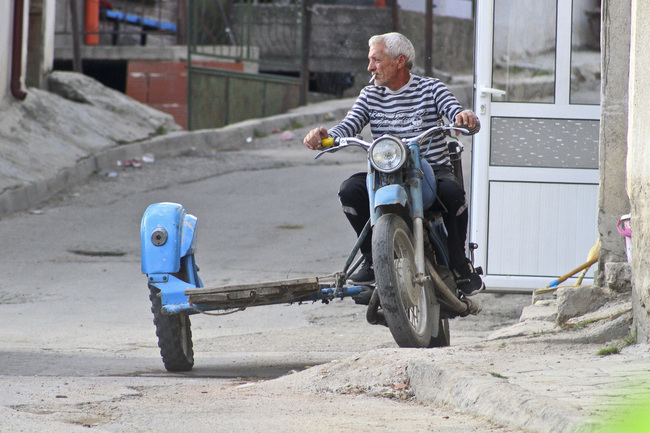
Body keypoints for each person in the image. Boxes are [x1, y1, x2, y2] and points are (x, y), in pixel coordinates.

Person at [303, 32, 484, 296]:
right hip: (386, 173)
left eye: (376, 60)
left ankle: (459, 263)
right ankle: (372, 257)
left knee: (453, 193)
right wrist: (326, 137)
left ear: (400, 61)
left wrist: (464, 116)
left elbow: (454, 111)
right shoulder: (369, 95)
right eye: (369, 60)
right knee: (349, 191)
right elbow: (348, 126)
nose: (370, 67)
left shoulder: (432, 88)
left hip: (430, 170)